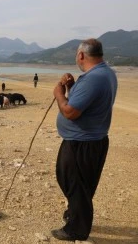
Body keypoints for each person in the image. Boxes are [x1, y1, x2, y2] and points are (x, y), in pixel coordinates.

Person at [51, 38, 118, 241]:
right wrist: (72, 88)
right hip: (92, 140)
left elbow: (71, 112)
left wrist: (58, 93)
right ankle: (75, 214)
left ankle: (76, 230)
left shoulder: (93, 78)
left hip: (82, 142)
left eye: (76, 55)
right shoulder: (106, 73)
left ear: (81, 55)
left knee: (73, 182)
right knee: (80, 183)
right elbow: (84, 103)